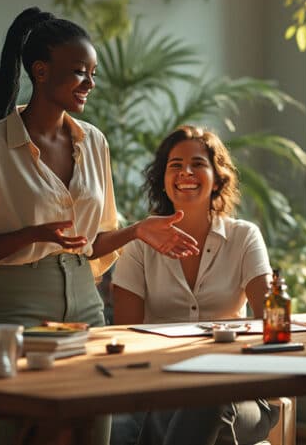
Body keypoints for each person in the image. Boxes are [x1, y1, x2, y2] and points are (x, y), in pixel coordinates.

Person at [0, 7, 199, 445]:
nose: (90, 84)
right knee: (26, 435)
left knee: (91, 431)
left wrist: (137, 230)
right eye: (80, 73)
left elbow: (88, 245)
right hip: (15, 312)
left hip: (84, 309)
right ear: (41, 72)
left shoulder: (94, 142)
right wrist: (32, 235)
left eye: (93, 73)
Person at [111, 125, 277, 445]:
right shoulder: (138, 243)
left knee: (207, 399)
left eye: (198, 163)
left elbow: (271, 319)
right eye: (175, 165)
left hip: (236, 391)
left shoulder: (244, 237)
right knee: (117, 424)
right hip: (159, 387)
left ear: (218, 177)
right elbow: (126, 335)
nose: (186, 171)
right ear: (163, 178)